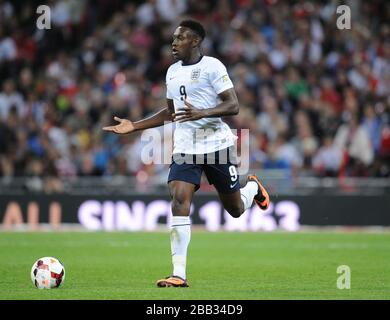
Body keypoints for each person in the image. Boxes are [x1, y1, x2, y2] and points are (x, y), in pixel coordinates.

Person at [103, 19, 270, 288]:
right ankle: (178, 274)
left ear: (195, 41)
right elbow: (171, 112)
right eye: (173, 38)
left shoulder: (212, 67)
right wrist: (134, 125)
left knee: (236, 209)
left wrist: (202, 112)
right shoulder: (171, 72)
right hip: (185, 147)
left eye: (180, 38)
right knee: (179, 198)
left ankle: (250, 187)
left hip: (216, 144)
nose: (173, 43)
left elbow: (233, 105)